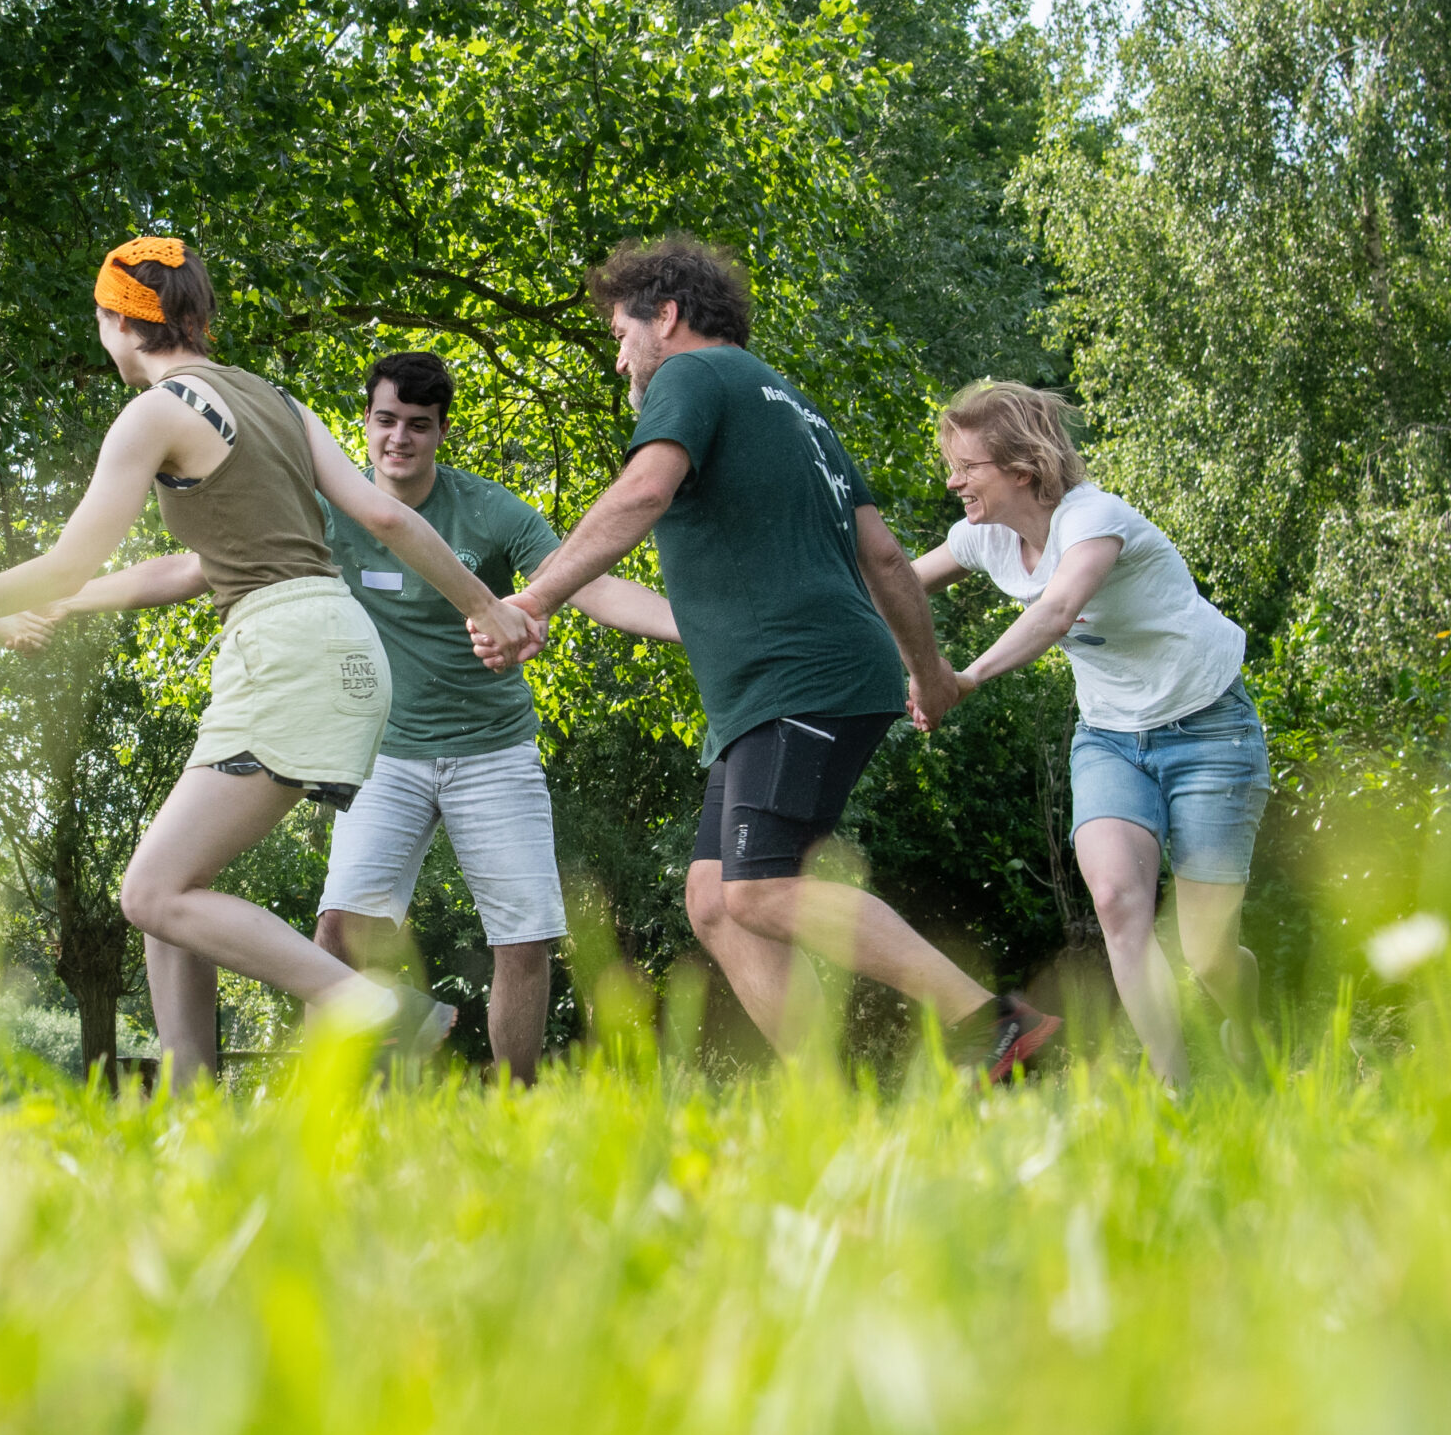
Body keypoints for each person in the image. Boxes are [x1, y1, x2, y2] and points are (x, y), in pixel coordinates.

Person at [0, 236, 545, 1086]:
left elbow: (69, 556)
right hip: (335, 643)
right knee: (174, 895)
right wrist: (485, 604)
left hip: (283, 651)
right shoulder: (276, 401)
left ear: (117, 321)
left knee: (149, 892)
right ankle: (191, 1107)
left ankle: (373, 1007)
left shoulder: (153, 412)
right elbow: (381, 521)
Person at [471, 235, 1060, 1081]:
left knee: (755, 888)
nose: (620, 361)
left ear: (666, 315)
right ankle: (827, 1092)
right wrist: (928, 672)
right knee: (713, 898)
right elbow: (887, 560)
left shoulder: (691, 377)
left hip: (799, 679)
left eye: (620, 335)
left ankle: (988, 1020)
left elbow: (643, 491)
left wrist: (532, 599)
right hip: (802, 681)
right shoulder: (795, 407)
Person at [306, 351, 679, 1086]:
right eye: (386, 421)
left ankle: (518, 1098)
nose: (399, 439)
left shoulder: (489, 509)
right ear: (367, 423)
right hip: (385, 755)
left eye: (418, 425)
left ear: (443, 430)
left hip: (492, 751)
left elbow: (591, 585)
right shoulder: (333, 513)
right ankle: (335, 1103)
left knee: (526, 938)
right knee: (337, 934)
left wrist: (698, 626)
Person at [911, 382, 1265, 1083]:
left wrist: (963, 679)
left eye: (966, 466)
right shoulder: (987, 539)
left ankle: (1248, 1026)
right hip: (1110, 739)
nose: (952, 481)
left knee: (1207, 949)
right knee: (1117, 902)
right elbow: (895, 581)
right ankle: (1179, 1091)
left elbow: (1057, 610)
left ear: (1021, 466)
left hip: (1209, 730)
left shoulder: (1095, 519)